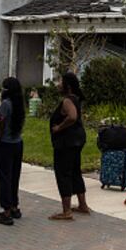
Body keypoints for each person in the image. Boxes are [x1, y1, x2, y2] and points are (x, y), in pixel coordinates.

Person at [49, 72, 90, 221]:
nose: (59, 84)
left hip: (66, 143)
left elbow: (72, 116)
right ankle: (82, 205)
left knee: (63, 173)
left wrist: (59, 127)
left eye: (61, 82)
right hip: (77, 141)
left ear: (68, 86)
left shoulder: (67, 101)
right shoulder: (76, 99)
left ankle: (66, 211)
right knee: (74, 171)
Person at [0, 77, 25, 225]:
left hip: (5, 144)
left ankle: (6, 211)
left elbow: (1, 125)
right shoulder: (19, 104)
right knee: (14, 176)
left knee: (4, 178)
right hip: (17, 142)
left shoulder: (5, 104)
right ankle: (14, 206)